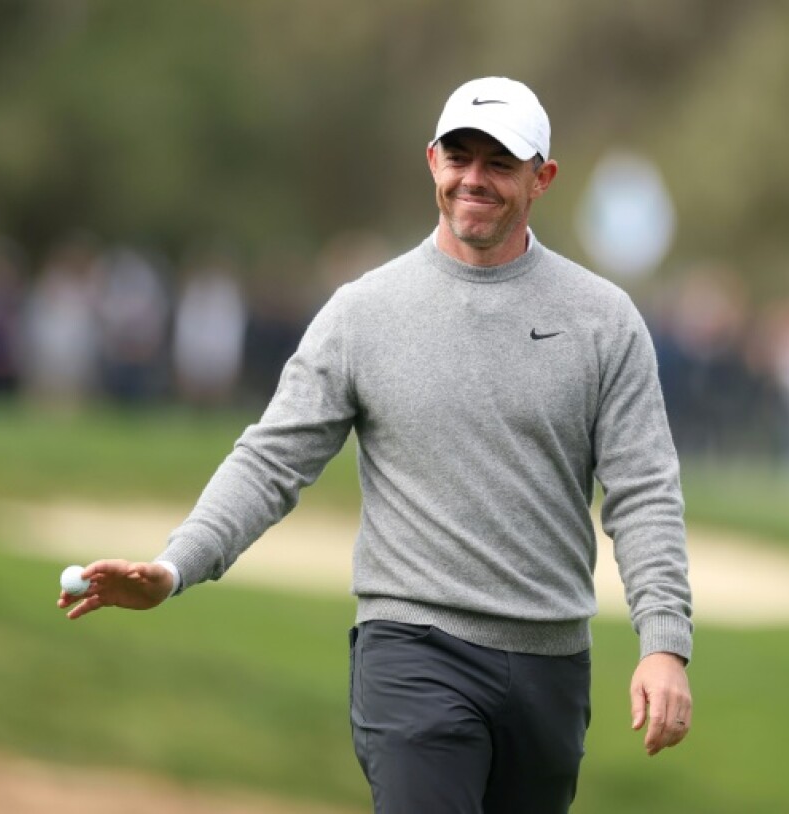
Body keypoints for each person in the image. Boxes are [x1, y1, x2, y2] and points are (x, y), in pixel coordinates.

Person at [58, 76, 694, 813]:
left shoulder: (602, 320)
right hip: (413, 650)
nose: (474, 179)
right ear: (432, 161)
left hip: (551, 666)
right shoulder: (364, 313)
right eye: (460, 158)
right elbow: (271, 462)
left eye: (500, 163)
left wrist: (664, 642)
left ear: (542, 177)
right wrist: (175, 567)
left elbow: (643, 489)